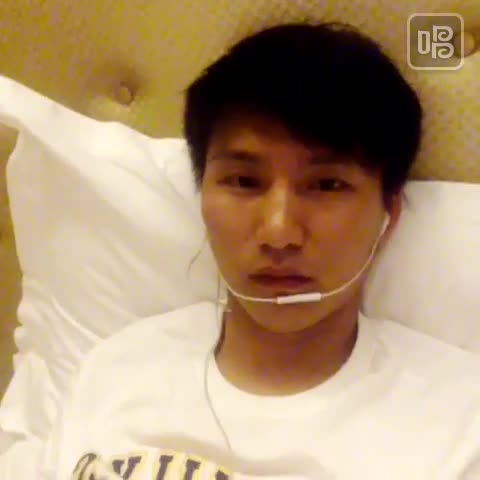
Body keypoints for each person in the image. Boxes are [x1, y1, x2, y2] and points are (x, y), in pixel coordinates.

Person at [35, 23, 480, 479]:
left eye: (327, 185)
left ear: (389, 216)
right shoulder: (116, 371)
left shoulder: (458, 422)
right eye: (244, 182)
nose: (278, 232)